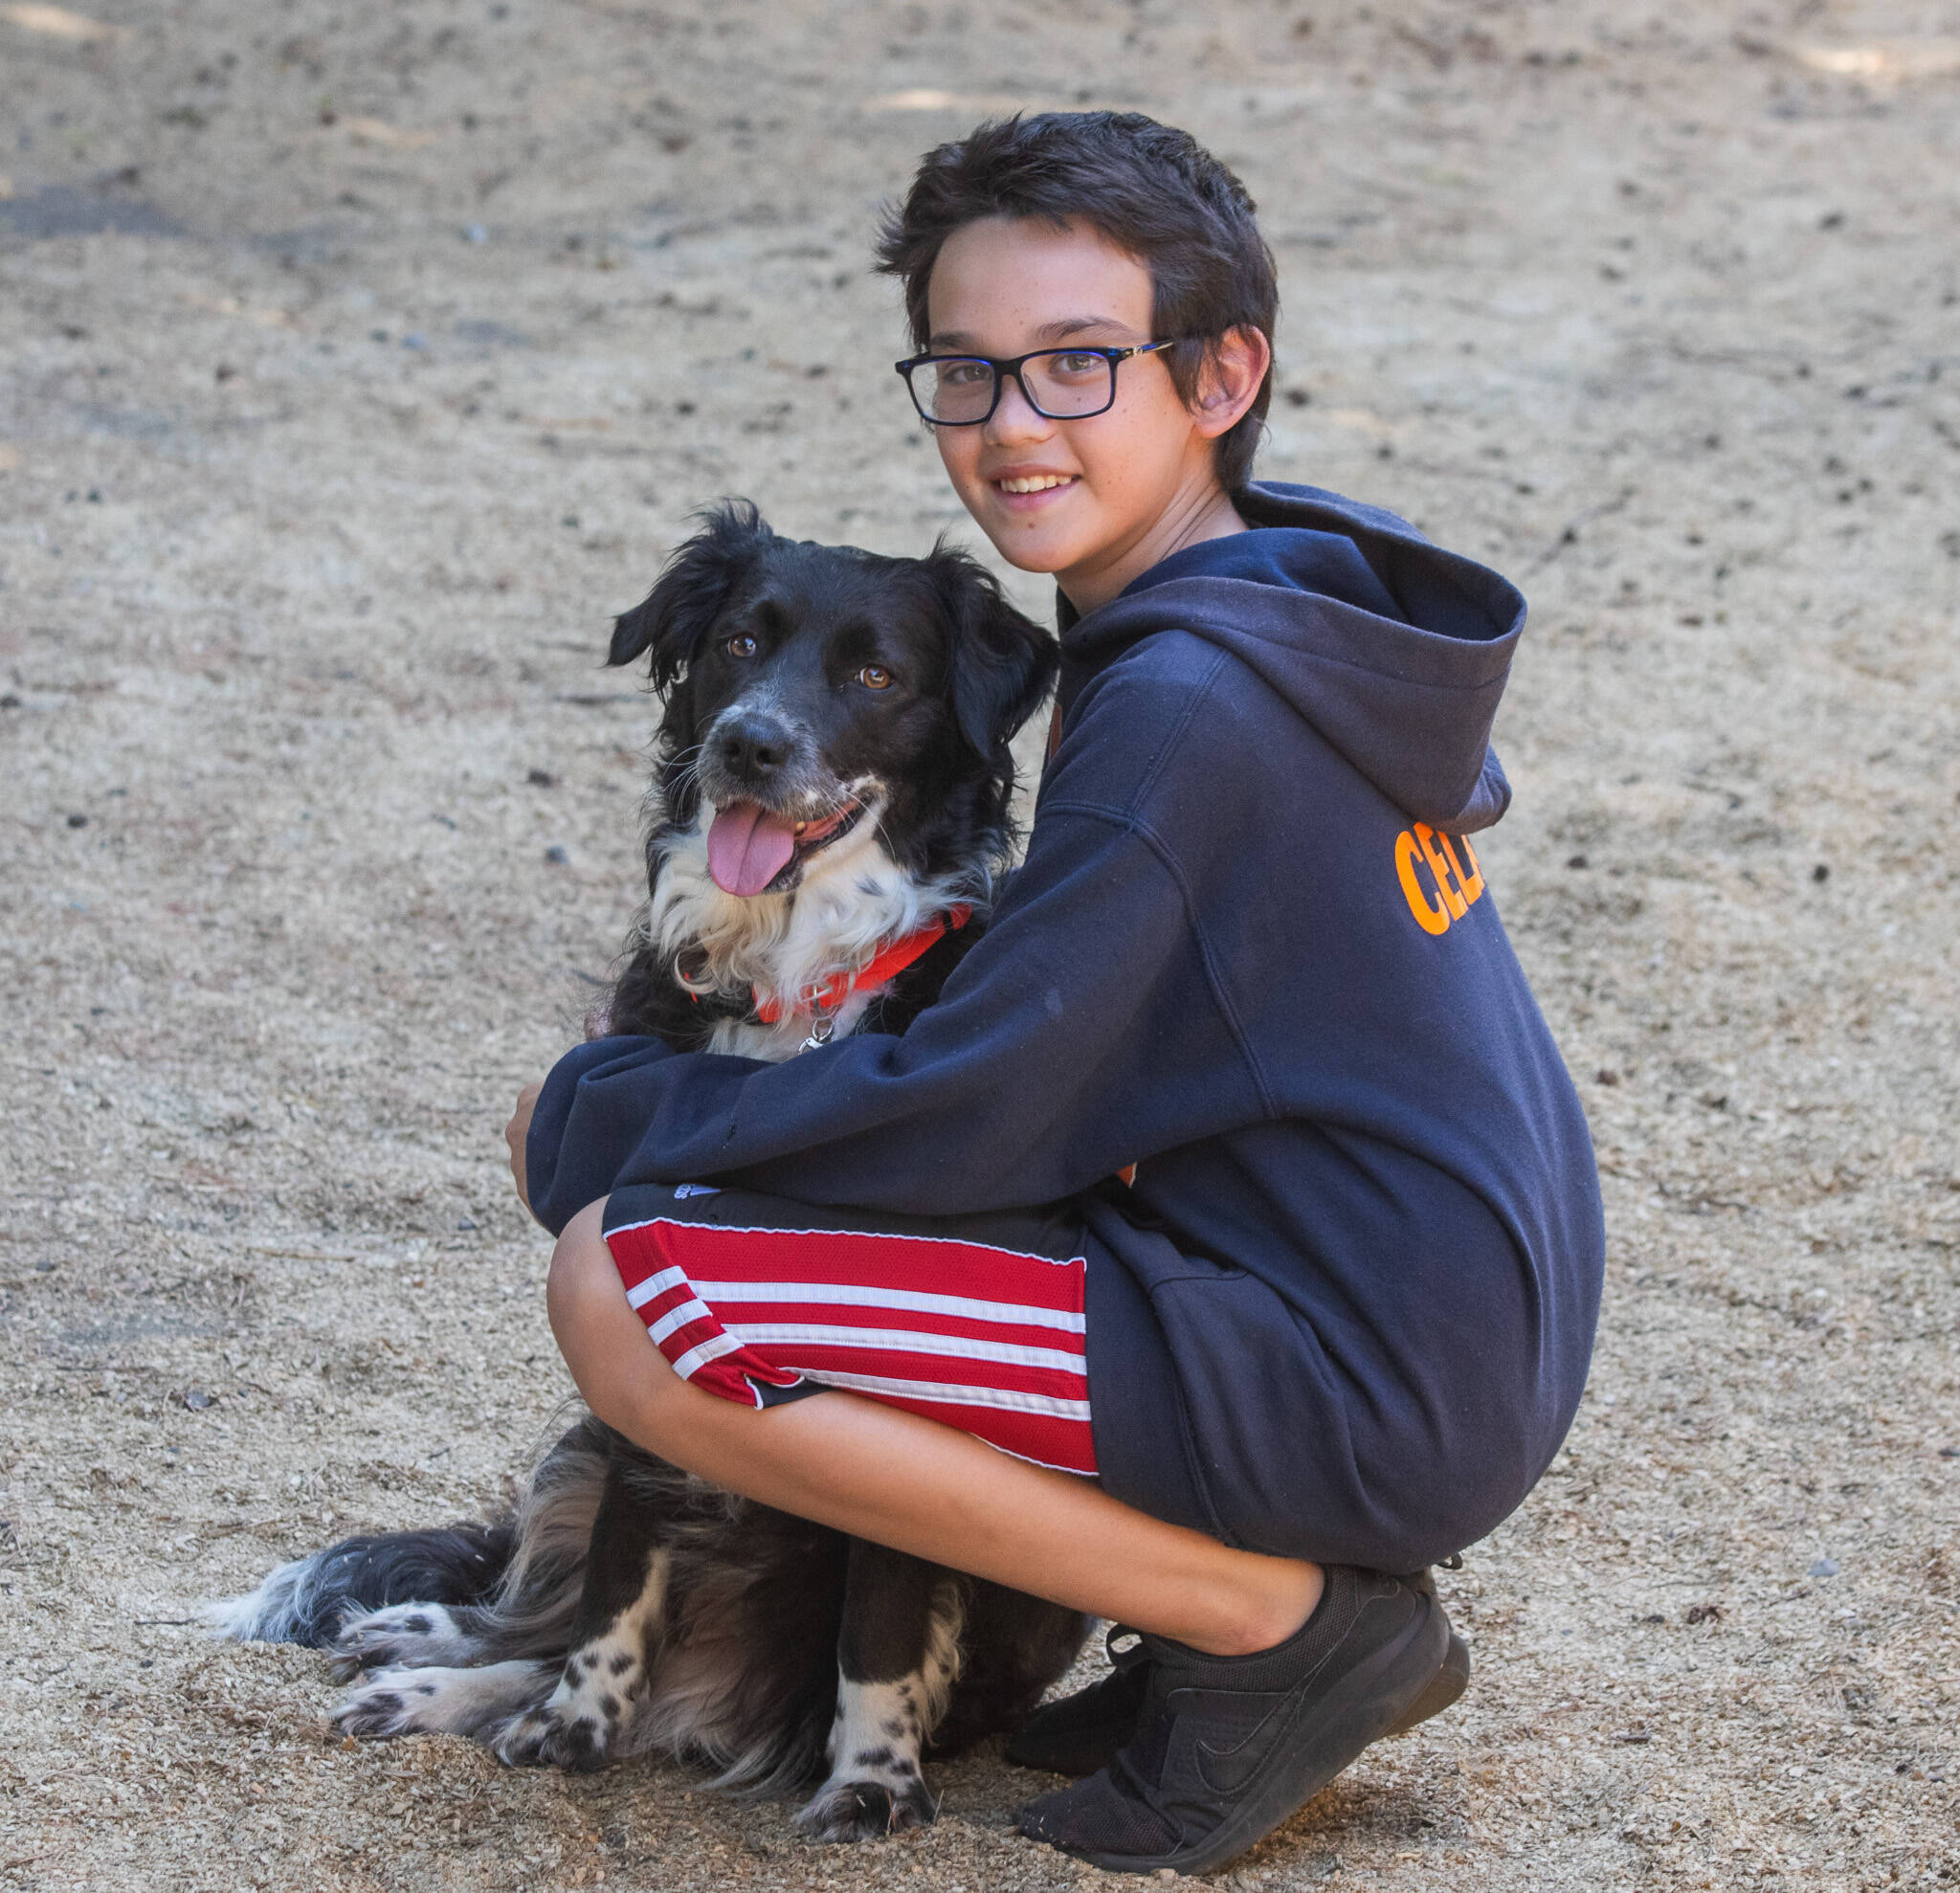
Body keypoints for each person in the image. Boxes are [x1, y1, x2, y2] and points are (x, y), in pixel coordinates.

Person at [508, 111, 1605, 1876]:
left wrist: (601, 1111)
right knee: (777, 1235)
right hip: (1417, 1313)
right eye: (968, 370)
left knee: (631, 1283)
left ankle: (1276, 1619)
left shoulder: (1184, 707)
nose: (1016, 423)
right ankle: (1223, 1598)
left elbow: (976, 1108)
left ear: (1222, 372)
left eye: (1081, 363)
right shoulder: (1266, 604)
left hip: (1359, 1363)